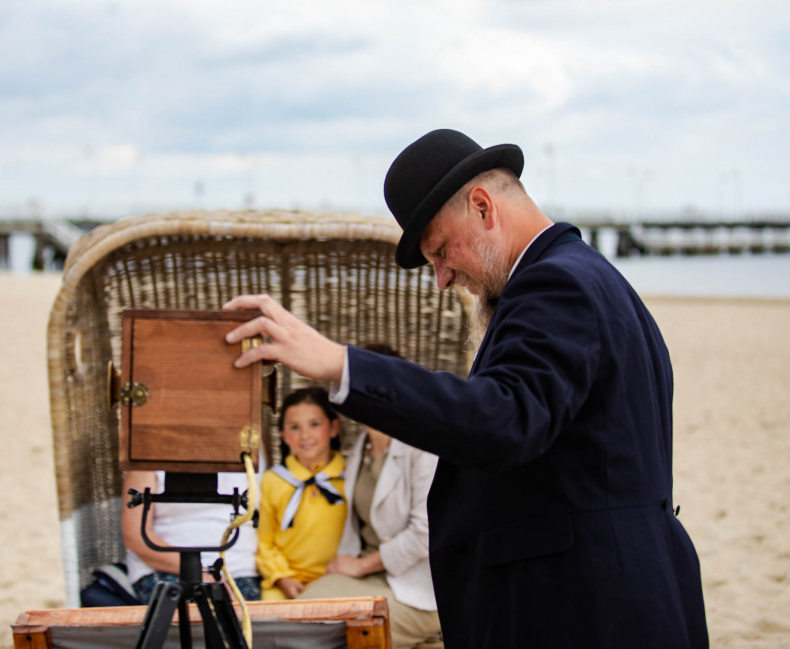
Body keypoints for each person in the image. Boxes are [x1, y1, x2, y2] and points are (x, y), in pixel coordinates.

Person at [222, 129, 709, 647]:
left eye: (439, 251)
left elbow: (503, 420)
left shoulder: (556, 284)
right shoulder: (589, 277)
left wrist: (340, 365)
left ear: (482, 207)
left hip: (588, 606)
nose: (442, 278)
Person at [300, 343, 442, 649]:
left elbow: (425, 533)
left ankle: (431, 632)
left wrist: (360, 566)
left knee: (315, 631)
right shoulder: (363, 445)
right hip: (369, 576)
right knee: (299, 615)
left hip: (418, 589)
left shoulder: (423, 445)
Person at [257, 386, 348, 600]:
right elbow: (264, 541)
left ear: (334, 428)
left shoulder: (350, 478)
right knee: (272, 622)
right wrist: (281, 576)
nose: (305, 435)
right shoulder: (273, 481)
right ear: (284, 436)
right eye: (294, 427)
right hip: (284, 581)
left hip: (338, 579)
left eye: (314, 424)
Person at [120, 470, 261, 604]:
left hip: (240, 572)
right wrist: (201, 574)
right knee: (202, 617)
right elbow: (135, 537)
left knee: (248, 620)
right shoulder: (147, 453)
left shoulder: (250, 449)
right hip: (168, 570)